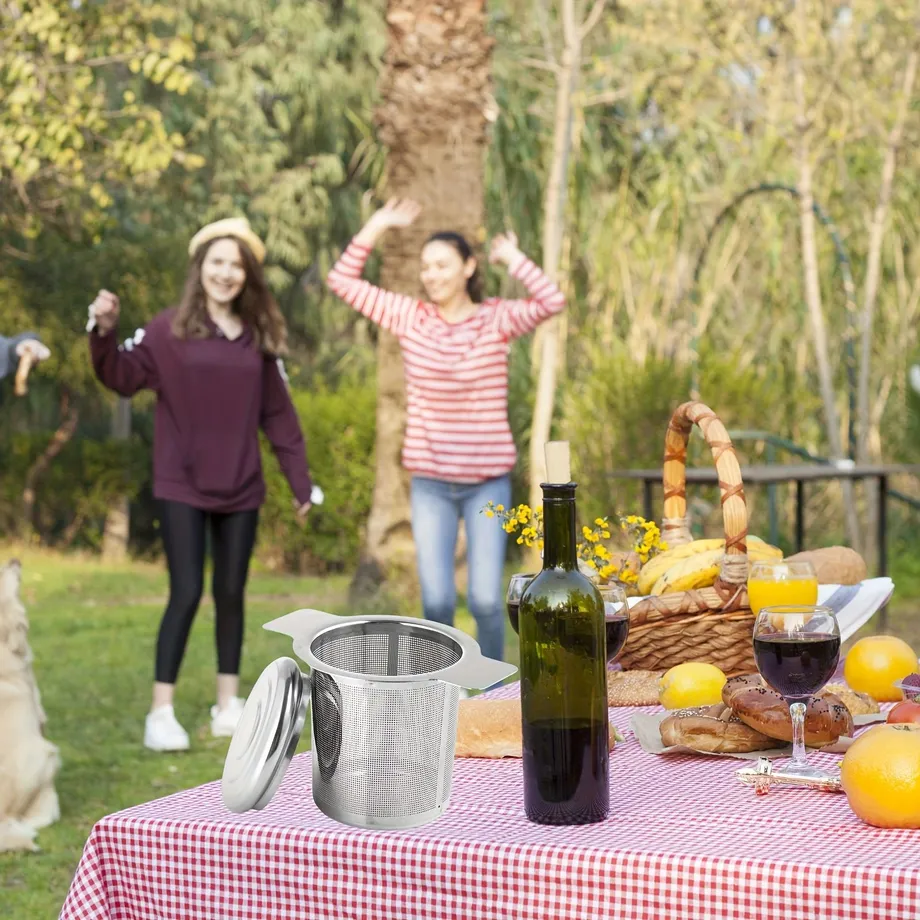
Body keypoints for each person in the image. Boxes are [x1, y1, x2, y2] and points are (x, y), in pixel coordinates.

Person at [87, 217, 314, 752]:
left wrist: (299, 482)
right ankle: (160, 712)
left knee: (231, 593)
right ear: (200, 268)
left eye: (236, 264)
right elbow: (119, 374)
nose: (226, 272)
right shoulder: (166, 330)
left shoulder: (258, 341)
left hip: (242, 487)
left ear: (248, 275)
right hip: (182, 484)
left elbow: (279, 415)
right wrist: (103, 332)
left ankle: (226, 704)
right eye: (217, 261)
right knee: (186, 591)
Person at [326, 199, 565, 662]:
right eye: (425, 267)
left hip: (486, 485)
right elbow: (341, 281)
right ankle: (442, 691)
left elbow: (552, 300)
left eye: (441, 265)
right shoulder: (410, 317)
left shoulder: (496, 318)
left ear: (468, 267)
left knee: (484, 600)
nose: (431, 275)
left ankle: (492, 691)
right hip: (431, 483)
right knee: (436, 602)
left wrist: (514, 259)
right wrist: (376, 225)